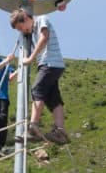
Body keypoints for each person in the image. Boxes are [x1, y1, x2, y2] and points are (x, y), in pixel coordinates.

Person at [10, 8, 69, 145]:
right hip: (52, 64)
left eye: (21, 27)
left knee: (37, 90)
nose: (22, 31)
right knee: (53, 98)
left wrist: (30, 58)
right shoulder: (33, 31)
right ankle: (60, 131)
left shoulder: (41, 18)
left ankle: (33, 128)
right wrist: (16, 73)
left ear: (26, 18)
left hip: (50, 63)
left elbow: (44, 38)